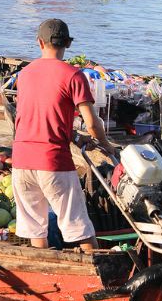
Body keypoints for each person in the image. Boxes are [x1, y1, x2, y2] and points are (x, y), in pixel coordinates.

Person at [10, 19, 107, 252]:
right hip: (52, 161)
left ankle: (42, 266)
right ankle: (98, 266)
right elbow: (92, 123)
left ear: (40, 43)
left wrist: (72, 135)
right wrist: (105, 144)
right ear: (67, 44)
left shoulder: (24, 74)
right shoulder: (74, 76)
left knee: (36, 229)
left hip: (21, 160)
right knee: (78, 227)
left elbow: (39, 116)